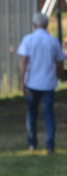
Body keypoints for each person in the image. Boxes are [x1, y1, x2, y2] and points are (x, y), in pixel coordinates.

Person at [17, 12, 65, 154]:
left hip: (32, 82)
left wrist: (22, 81)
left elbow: (24, 61)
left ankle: (32, 142)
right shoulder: (53, 41)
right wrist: (58, 75)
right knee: (48, 114)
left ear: (34, 24)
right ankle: (50, 145)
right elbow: (60, 61)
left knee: (31, 113)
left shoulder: (28, 40)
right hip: (48, 83)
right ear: (46, 24)